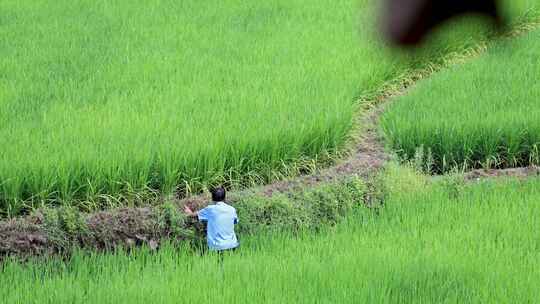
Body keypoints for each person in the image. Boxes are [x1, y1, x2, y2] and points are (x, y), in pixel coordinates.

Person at [184, 187, 239, 253]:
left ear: (212, 198)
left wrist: (189, 212)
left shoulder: (210, 209)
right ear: (224, 198)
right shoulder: (232, 209)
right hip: (232, 245)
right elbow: (235, 221)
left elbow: (194, 215)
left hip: (217, 247)